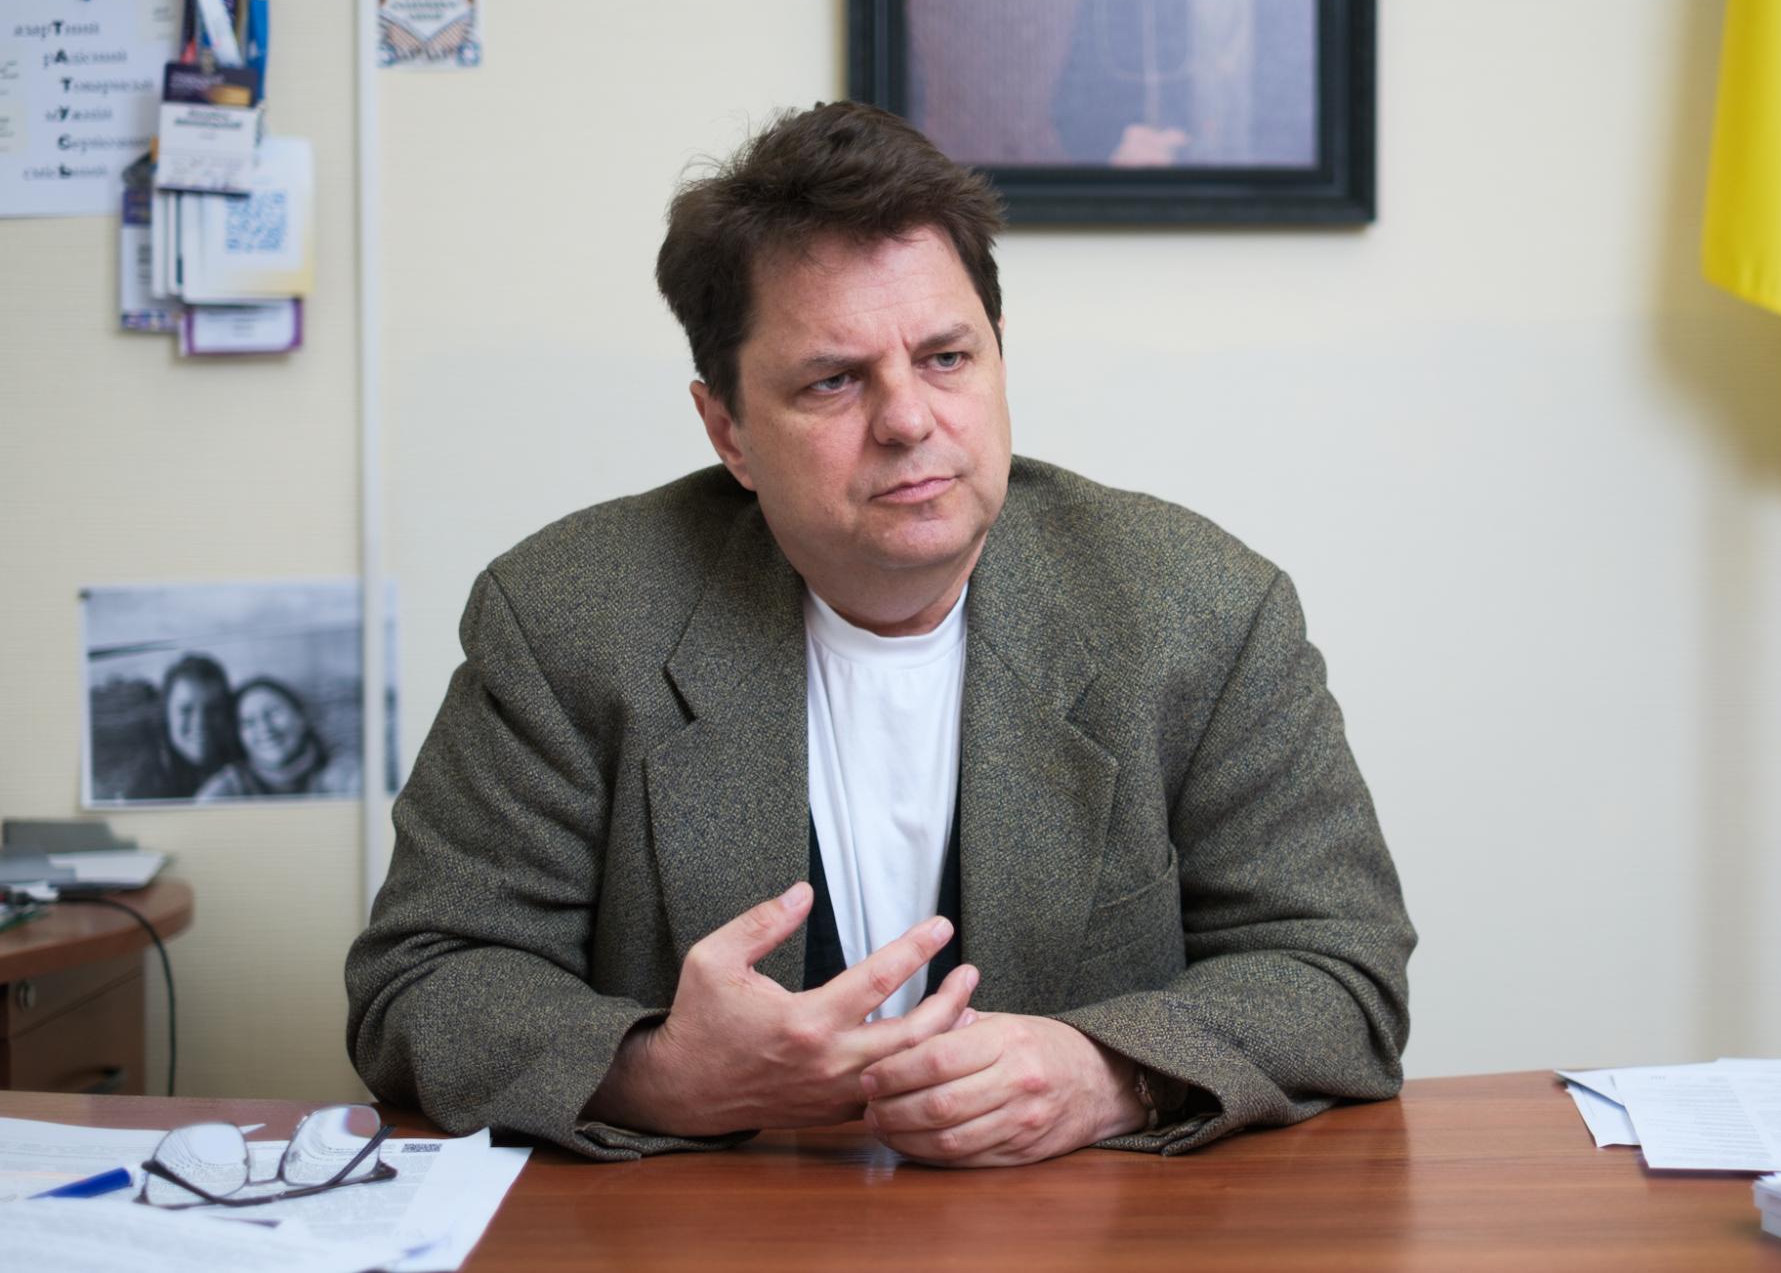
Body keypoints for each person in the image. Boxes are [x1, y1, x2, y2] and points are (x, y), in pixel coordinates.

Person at [346, 101, 1414, 1167]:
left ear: (999, 358)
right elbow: (423, 981)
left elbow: (1339, 967)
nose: (907, 420)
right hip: (715, 1229)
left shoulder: (1202, 607)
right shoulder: (567, 616)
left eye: (946, 358)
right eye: (834, 379)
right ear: (729, 431)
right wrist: (662, 1073)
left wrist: (1106, 1075)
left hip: (1082, 1228)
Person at [196, 678, 361, 801]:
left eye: (273, 712)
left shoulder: (344, 772)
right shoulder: (226, 790)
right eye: (249, 722)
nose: (264, 728)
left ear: (301, 717)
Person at [121, 653, 236, 801]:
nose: (200, 722)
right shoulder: (145, 790)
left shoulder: (243, 764)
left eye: (213, 709)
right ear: (165, 714)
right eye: (185, 710)